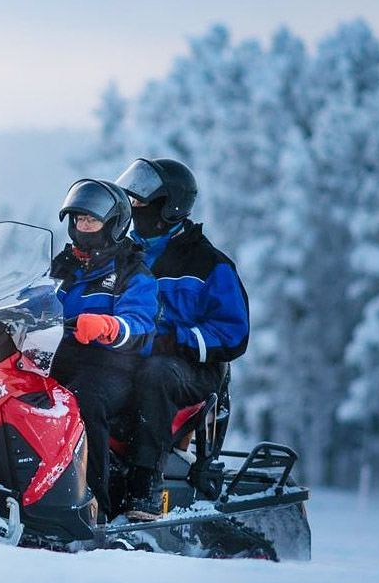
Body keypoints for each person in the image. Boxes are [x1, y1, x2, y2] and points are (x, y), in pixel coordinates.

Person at [114, 157, 250, 520]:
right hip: (131, 356)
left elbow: (234, 332)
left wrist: (177, 340)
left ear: (168, 206)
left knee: (156, 373)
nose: (133, 208)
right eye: (131, 200)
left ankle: (145, 487)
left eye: (140, 200)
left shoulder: (208, 263)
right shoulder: (123, 254)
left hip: (193, 368)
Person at [49, 178, 158, 517]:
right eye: (79, 219)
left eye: (92, 220)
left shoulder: (131, 270)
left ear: (113, 224)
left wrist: (110, 327)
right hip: (59, 356)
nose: (83, 226)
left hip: (112, 367)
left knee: (82, 401)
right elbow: (30, 297)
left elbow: (141, 323)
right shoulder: (62, 266)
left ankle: (94, 506)